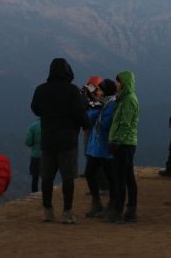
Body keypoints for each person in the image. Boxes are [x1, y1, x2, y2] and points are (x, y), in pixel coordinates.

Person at [31, 58, 91, 224]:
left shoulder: (41, 90)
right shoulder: (72, 91)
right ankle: (67, 212)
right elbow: (80, 113)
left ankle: (48, 212)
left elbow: (35, 109)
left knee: (47, 178)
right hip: (68, 142)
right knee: (68, 178)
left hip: (48, 140)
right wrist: (86, 124)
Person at [108, 71, 139, 222]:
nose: (116, 84)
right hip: (126, 143)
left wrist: (116, 142)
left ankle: (118, 212)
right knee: (128, 177)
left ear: (125, 83)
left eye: (119, 81)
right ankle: (131, 210)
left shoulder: (128, 100)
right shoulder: (124, 99)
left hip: (124, 144)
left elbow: (125, 124)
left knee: (120, 178)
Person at [84, 79, 117, 218]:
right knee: (89, 173)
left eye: (101, 90)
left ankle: (112, 204)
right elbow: (88, 121)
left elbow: (104, 125)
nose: (98, 93)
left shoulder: (111, 104)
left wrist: (95, 109)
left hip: (104, 147)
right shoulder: (102, 104)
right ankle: (97, 203)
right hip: (96, 146)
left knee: (110, 176)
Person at [24, 119, 42, 193]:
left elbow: (28, 142)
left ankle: (34, 193)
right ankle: (46, 193)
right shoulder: (50, 124)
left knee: (35, 177)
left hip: (35, 155)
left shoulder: (33, 126)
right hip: (48, 155)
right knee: (46, 177)